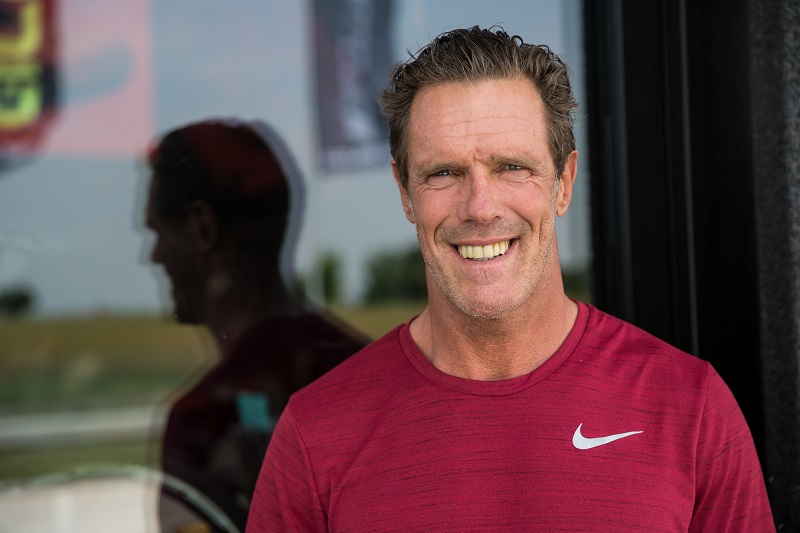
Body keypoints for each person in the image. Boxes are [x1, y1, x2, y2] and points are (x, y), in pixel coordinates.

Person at [246, 27, 775, 532]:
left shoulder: (690, 408)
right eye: (444, 173)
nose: (480, 207)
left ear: (563, 183)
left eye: (512, 168)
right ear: (405, 193)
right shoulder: (315, 434)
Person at [144, 119, 369, 532]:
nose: (153, 256)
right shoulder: (368, 368)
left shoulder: (206, 419)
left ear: (200, 227)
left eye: (157, 231)